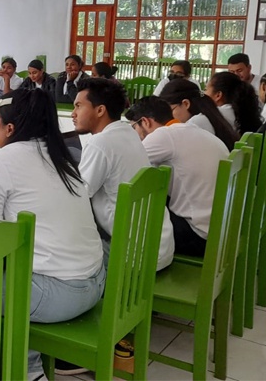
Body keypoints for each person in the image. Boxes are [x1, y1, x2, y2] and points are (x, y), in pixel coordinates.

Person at [0, 89, 104, 379]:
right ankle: (40, 355)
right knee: (20, 263)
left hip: (59, 296)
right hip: (96, 282)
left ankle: (27, 368)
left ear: (9, 128)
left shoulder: (3, 160)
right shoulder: (61, 156)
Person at [72, 78, 174, 271]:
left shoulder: (100, 143)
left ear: (100, 110)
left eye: (78, 106)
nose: (73, 114)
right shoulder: (129, 134)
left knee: (55, 251)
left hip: (133, 258)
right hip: (159, 249)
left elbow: (77, 198)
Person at [125, 96, 229, 257]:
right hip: (223, 230)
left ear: (145, 122)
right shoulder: (193, 131)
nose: (136, 135)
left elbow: (126, 165)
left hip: (199, 235)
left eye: (134, 127)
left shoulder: (163, 136)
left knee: (129, 217)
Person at [159, 78, 238, 151]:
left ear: (186, 104)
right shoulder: (208, 114)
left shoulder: (196, 123)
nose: (169, 117)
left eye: (170, 111)